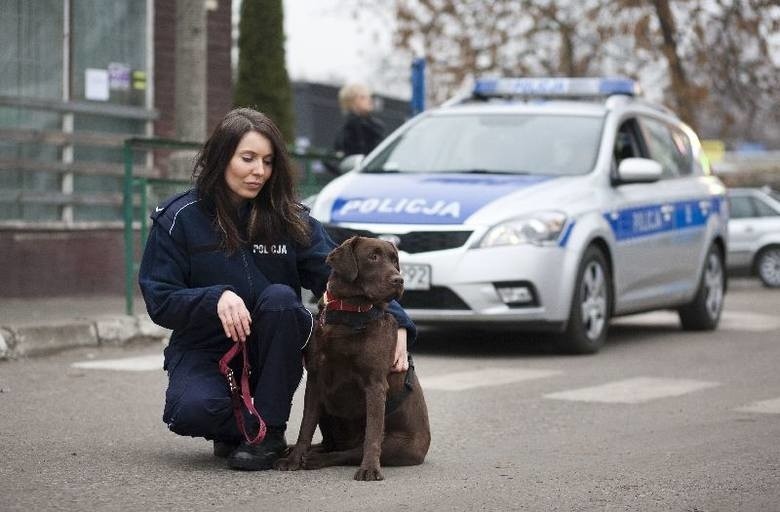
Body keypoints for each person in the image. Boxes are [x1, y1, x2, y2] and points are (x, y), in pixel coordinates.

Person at [138, 108, 415, 471]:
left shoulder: (289, 218)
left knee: (283, 300)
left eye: (268, 162)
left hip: (274, 348)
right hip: (206, 347)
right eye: (247, 158)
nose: (259, 171)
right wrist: (214, 297)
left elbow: (340, 276)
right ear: (221, 157)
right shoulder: (180, 218)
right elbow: (159, 298)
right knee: (191, 411)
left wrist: (398, 325)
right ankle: (241, 427)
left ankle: (268, 433)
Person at [329, 83, 386, 172]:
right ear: (351, 102)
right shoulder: (348, 130)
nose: (370, 100)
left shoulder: (376, 126)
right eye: (363, 97)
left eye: (369, 96)